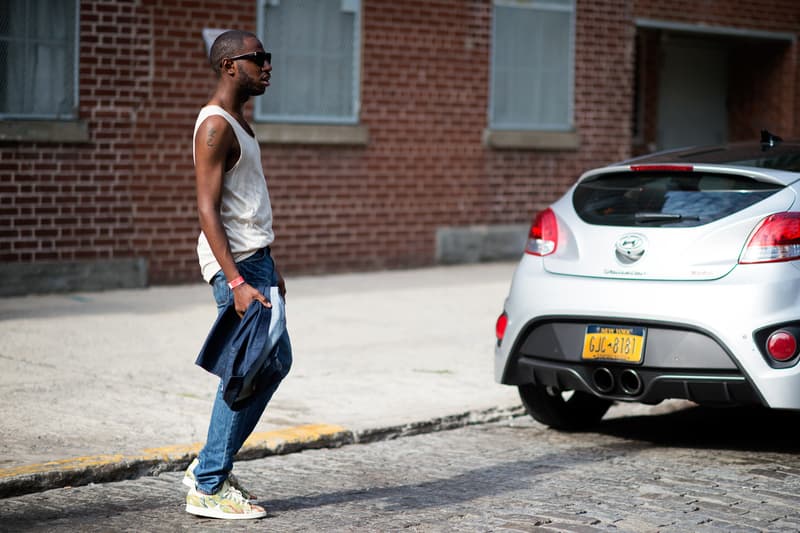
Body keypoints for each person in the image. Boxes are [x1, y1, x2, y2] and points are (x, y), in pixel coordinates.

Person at [183, 29, 291, 520]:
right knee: (247, 370)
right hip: (238, 266)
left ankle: (207, 466)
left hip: (255, 261)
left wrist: (270, 265)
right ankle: (208, 484)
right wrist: (237, 281)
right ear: (230, 66)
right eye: (257, 58)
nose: (267, 66)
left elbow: (245, 204)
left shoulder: (238, 122)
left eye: (267, 57)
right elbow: (207, 210)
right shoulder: (215, 125)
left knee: (272, 363)